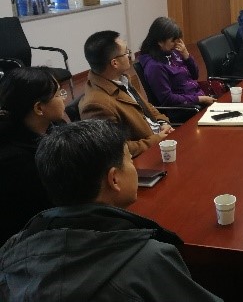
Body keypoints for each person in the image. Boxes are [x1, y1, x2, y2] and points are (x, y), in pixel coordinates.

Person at [0, 120, 223, 301]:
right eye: (130, 161)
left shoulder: (14, 250)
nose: (134, 168)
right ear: (114, 179)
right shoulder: (148, 259)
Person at [80, 30, 173, 157]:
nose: (130, 56)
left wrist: (163, 123)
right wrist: (157, 139)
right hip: (146, 156)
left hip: (160, 140)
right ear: (115, 63)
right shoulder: (96, 105)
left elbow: (146, 108)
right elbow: (116, 149)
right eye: (126, 52)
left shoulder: (121, 79)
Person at [0, 67, 66, 245]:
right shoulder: (16, 162)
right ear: (39, 108)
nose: (63, 98)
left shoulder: (54, 128)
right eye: (59, 94)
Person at [139, 16, 217, 106]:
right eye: (173, 41)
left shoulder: (172, 52)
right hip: (187, 107)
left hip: (196, 96)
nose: (177, 44)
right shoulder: (155, 67)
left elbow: (195, 75)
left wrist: (187, 56)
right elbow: (168, 99)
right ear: (160, 41)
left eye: (178, 40)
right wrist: (199, 99)